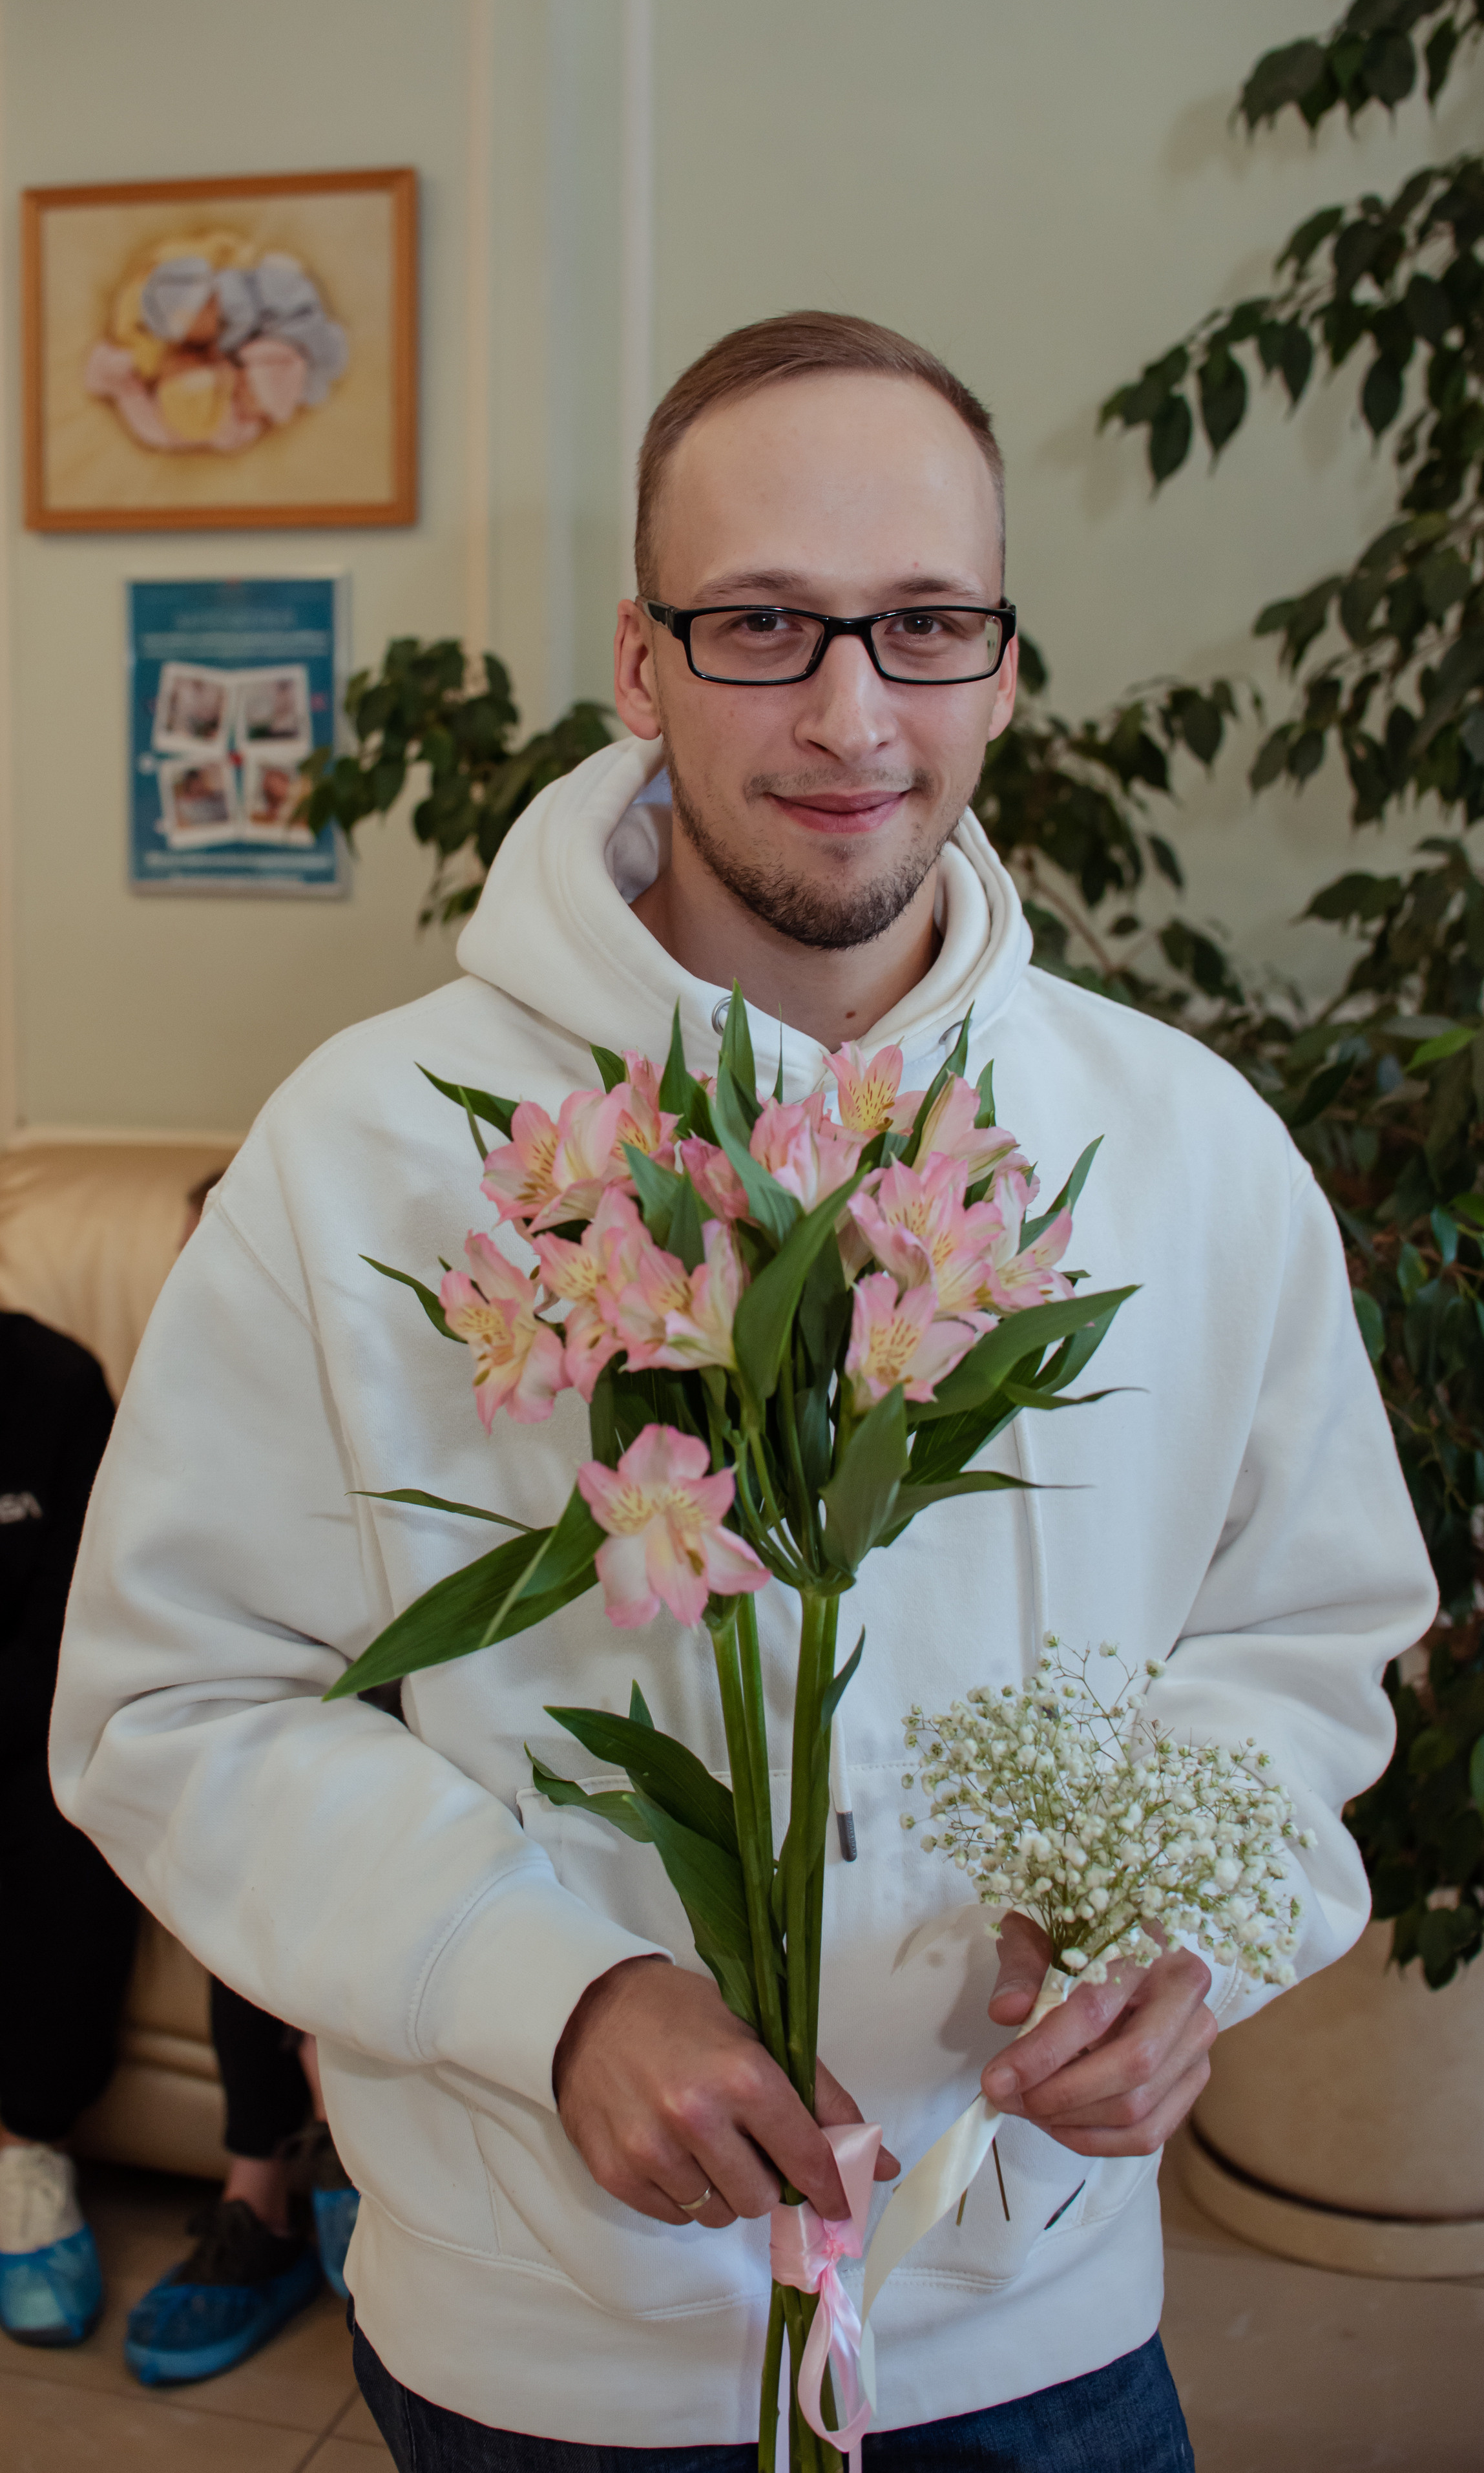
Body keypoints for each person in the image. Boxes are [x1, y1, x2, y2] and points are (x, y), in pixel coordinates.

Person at [52, 311, 1436, 2469]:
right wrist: (558, 1992)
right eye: (762, 623)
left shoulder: (1175, 1145)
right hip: (553, 2354)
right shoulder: (376, 1148)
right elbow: (178, 1701)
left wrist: (1178, 1946)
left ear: (998, 657)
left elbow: (1300, 1640)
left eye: (920, 624)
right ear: (638, 659)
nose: (848, 710)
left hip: (1041, 2321)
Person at [121, 1173, 360, 2388]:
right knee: (234, 1808)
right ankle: (262, 2190)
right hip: (274, 1708)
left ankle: (351, 2152)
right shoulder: (169, 1434)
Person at [0, 1312, 136, 2348]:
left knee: (62, 1806)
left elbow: (76, 1624)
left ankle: (25, 2148)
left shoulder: (55, 1382)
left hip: (24, 1712)